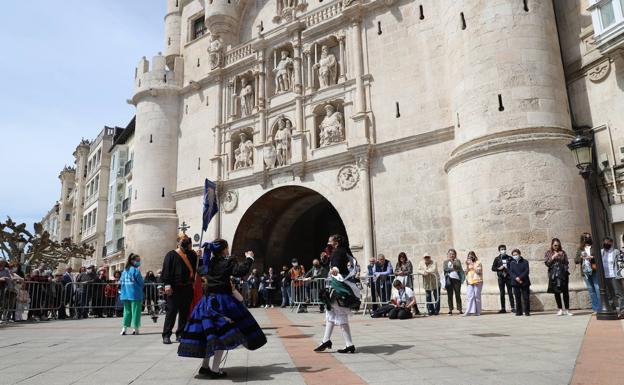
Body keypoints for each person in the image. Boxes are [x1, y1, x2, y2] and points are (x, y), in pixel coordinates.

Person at [178, 239, 267, 379]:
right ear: (224, 249)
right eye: (226, 248)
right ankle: (214, 370)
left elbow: (200, 271)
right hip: (222, 302)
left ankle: (205, 367)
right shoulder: (227, 262)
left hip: (207, 302)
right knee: (222, 335)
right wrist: (249, 258)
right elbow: (240, 271)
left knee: (210, 334)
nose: (228, 250)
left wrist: (200, 258)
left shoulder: (209, 262)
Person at [315, 235, 360, 354]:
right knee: (331, 312)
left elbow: (336, 265)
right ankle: (327, 340)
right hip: (337, 285)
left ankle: (348, 344)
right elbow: (333, 264)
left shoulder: (338, 252)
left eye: (330, 240)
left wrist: (335, 268)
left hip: (339, 287)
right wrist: (326, 260)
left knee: (339, 313)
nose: (328, 242)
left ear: (336, 242)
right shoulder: (339, 251)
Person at [161, 233, 198, 344]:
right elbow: (166, 270)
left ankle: (181, 334)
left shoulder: (192, 254)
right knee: (171, 312)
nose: (185, 242)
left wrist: (199, 256)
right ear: (178, 242)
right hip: (174, 288)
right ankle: (166, 335)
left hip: (187, 288)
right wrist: (167, 285)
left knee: (184, 312)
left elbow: (199, 267)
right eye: (183, 240)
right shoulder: (171, 255)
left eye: (187, 240)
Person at [544, 238, 572, 316]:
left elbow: (567, 262)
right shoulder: (548, 253)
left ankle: (567, 309)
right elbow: (547, 263)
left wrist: (564, 267)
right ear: (552, 245)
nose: (556, 246)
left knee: (565, 292)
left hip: (563, 274)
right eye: (555, 245)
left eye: (558, 245)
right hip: (554, 275)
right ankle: (560, 309)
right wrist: (553, 257)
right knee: (556, 292)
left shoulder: (563, 252)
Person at [120, 253, 144, 335]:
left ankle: (124, 328)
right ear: (132, 261)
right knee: (136, 311)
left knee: (127, 312)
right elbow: (141, 282)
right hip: (135, 294)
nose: (139, 262)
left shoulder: (125, 270)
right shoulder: (135, 270)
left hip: (125, 294)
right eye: (137, 260)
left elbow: (121, 281)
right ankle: (135, 328)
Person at [575, 232, 600, 312]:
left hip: (594, 269)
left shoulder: (594, 247)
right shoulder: (580, 249)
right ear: (583, 239)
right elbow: (576, 260)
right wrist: (581, 257)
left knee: (598, 288)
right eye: (586, 237)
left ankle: (601, 307)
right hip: (585, 271)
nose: (588, 239)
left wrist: (592, 257)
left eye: (589, 237)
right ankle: (596, 309)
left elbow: (599, 256)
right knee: (591, 290)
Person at [602, 237, 624, 317]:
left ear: (612, 243)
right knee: (609, 295)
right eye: (605, 242)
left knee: (619, 293)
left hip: (614, 275)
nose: (606, 244)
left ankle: (622, 311)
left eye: (608, 242)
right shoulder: (602, 252)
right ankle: (613, 310)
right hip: (605, 276)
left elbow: (620, 262)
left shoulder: (616, 252)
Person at [491, 244, 515, 313]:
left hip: (508, 277)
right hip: (501, 278)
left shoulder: (510, 258)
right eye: (502, 249)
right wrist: (499, 268)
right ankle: (503, 308)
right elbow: (493, 268)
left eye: (504, 249)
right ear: (499, 251)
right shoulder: (497, 259)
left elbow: (514, 266)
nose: (503, 250)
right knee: (502, 293)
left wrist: (509, 268)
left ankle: (513, 307)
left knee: (510, 292)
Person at [509, 249, 530, 316]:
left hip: (524, 282)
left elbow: (526, 271)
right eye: (514, 255)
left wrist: (520, 277)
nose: (515, 256)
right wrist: (516, 278)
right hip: (515, 282)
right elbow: (510, 272)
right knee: (517, 297)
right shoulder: (511, 263)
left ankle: (527, 311)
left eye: (516, 254)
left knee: (526, 297)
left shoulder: (525, 261)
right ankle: (519, 311)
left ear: (519, 254)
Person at [443, 249, 464, 315]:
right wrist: (452, 269)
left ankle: (460, 309)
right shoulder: (445, 262)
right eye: (450, 254)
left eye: (453, 254)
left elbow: (458, 267)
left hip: (457, 279)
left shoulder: (457, 261)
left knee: (458, 294)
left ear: (455, 255)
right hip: (449, 279)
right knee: (450, 295)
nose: (451, 255)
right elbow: (445, 269)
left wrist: (453, 263)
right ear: (448, 254)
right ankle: (450, 309)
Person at [464, 251, 483, 316]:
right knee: (470, 296)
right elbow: (466, 272)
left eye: (471, 256)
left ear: (474, 256)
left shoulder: (478, 262)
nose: (470, 257)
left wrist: (472, 265)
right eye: (469, 256)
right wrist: (467, 266)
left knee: (477, 296)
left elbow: (479, 271)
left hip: (477, 281)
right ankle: (469, 311)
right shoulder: (467, 264)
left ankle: (478, 311)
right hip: (470, 281)